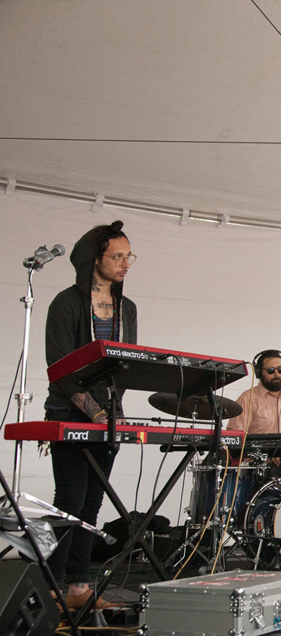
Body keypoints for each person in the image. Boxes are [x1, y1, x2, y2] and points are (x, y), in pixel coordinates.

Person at [44, 220, 137, 611]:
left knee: (92, 504)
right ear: (93, 258)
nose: (125, 264)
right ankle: (51, 585)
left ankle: (80, 585)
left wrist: (110, 413)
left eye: (129, 256)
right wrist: (95, 412)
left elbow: (127, 362)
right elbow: (61, 368)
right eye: (117, 256)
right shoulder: (65, 303)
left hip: (108, 417)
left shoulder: (126, 308)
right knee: (69, 500)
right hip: (69, 412)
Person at [227, 349, 281, 463]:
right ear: (259, 372)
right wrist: (264, 454)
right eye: (270, 370)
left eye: (280, 370)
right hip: (258, 470)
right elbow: (235, 439)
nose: (276, 374)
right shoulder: (247, 399)